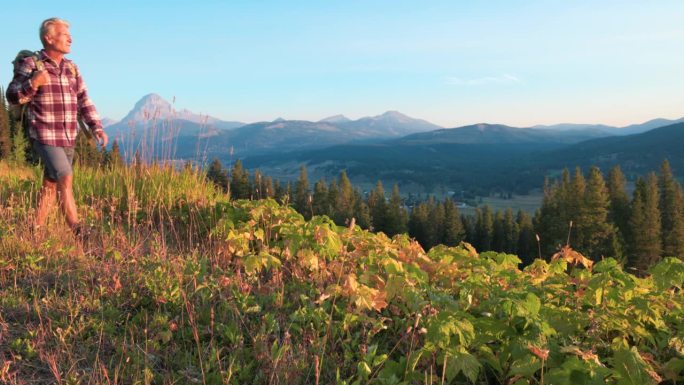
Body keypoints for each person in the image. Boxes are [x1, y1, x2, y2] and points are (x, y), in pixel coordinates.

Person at [6, 17, 108, 237]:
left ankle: (35, 229)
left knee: (51, 182)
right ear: (48, 38)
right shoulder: (32, 65)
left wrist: (96, 127)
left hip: (68, 135)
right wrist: (33, 83)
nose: (70, 39)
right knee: (65, 176)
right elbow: (12, 95)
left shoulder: (72, 68)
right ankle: (79, 232)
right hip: (43, 133)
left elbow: (83, 99)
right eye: (64, 35)